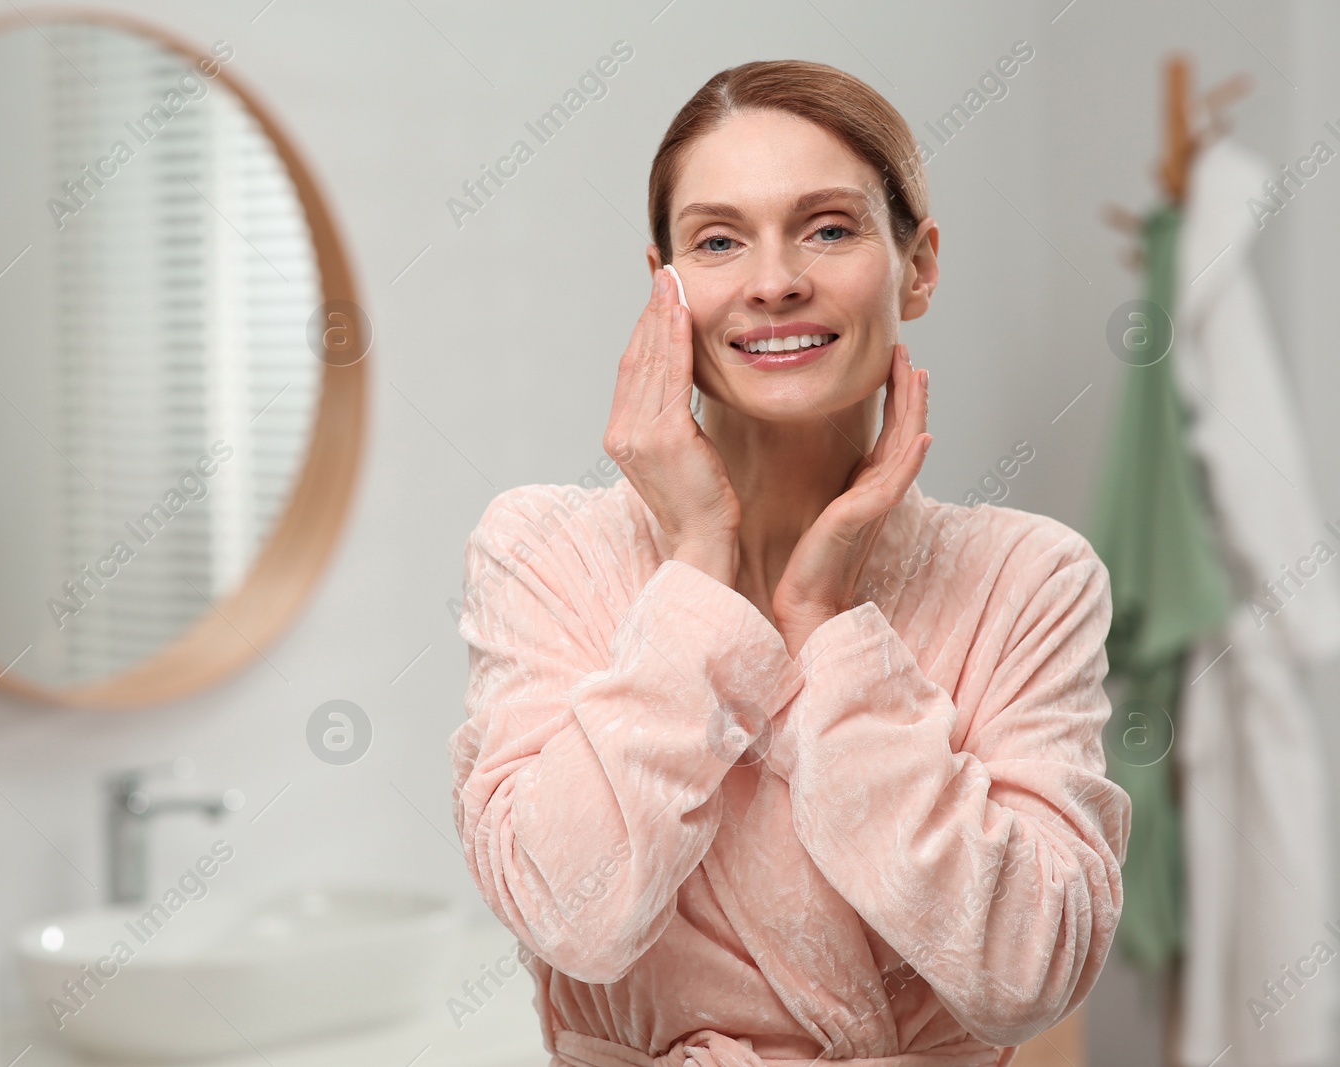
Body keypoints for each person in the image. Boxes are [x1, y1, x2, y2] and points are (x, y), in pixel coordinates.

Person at [448, 59, 1130, 1067]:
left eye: (828, 227)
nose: (774, 281)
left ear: (919, 266)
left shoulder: (1026, 577)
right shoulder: (544, 550)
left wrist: (825, 616)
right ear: (663, 287)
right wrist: (695, 562)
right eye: (718, 240)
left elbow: (1027, 970)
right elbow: (571, 915)